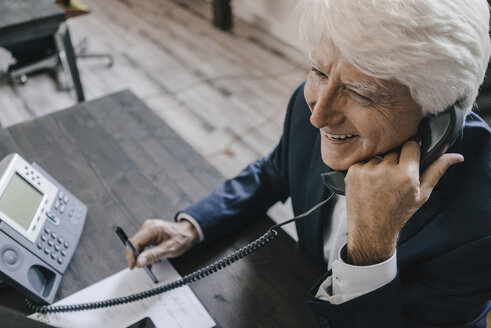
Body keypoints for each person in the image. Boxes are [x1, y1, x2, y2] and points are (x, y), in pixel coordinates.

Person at [126, 0, 491, 326]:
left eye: (362, 92)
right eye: (318, 71)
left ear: (437, 120)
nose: (318, 114)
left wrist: (371, 252)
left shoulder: (480, 228)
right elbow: (273, 172)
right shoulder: (311, 106)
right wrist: (193, 227)